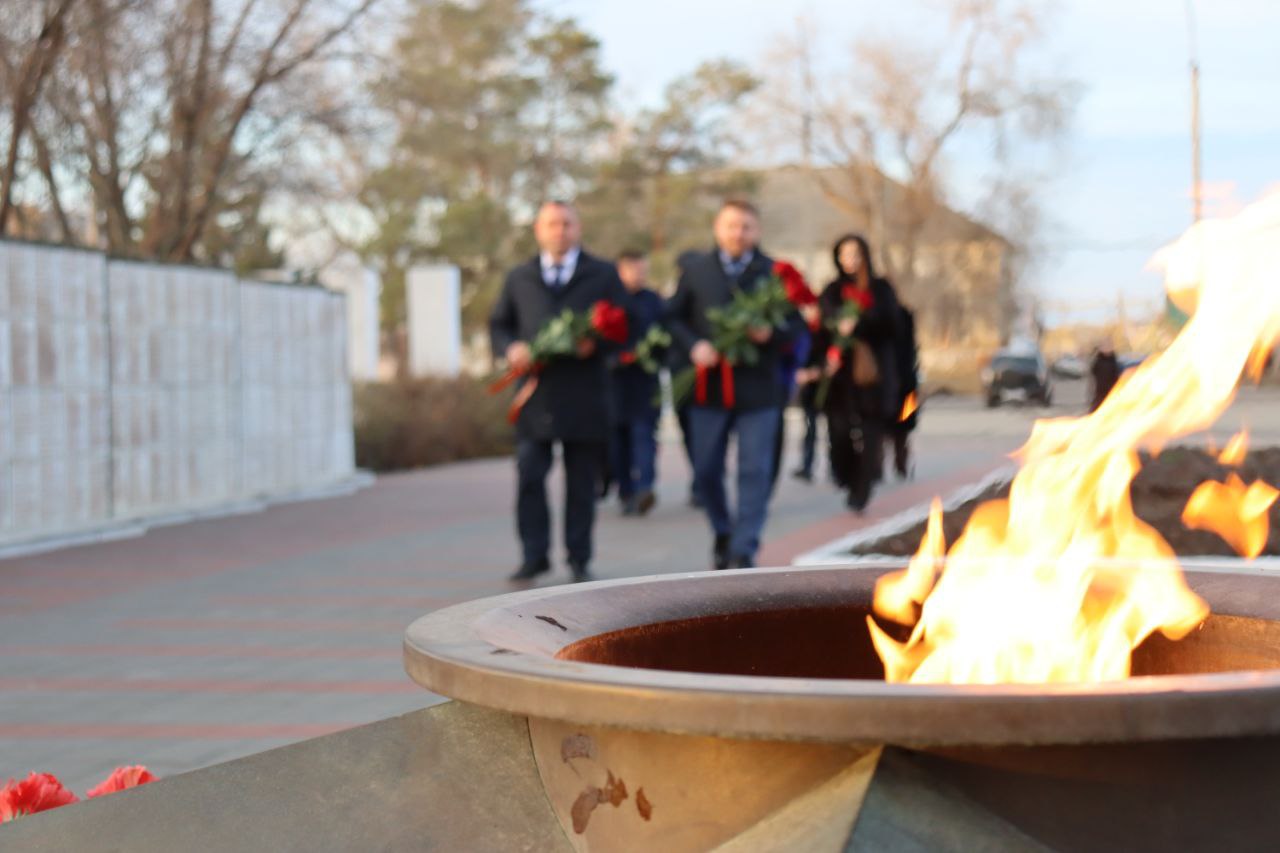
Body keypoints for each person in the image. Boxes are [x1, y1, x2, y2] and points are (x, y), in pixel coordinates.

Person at [489, 201, 629, 583]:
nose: (559, 231)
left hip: (585, 395)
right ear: (538, 229)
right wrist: (510, 348)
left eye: (566, 224)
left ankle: (579, 557)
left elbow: (624, 327)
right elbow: (499, 325)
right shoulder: (520, 277)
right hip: (535, 397)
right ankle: (534, 555)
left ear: (578, 228)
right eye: (551, 224)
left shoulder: (602, 274)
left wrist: (595, 345)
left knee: (581, 482)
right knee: (530, 474)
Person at [666, 199, 805, 569]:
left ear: (756, 231)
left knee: (754, 469)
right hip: (708, 388)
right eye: (731, 226)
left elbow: (796, 325)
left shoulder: (774, 272)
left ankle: (745, 547)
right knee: (706, 468)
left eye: (746, 226)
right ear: (717, 228)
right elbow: (672, 319)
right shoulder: (696, 271)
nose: (738, 233)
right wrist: (694, 345)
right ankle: (723, 530)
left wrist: (770, 333)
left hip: (759, 389)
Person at [814, 234, 902, 512]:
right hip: (840, 376)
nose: (849, 260)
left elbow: (894, 325)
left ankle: (862, 487)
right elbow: (822, 325)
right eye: (844, 254)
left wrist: (861, 322)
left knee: (871, 433)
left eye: (855, 254)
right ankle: (846, 475)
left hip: (873, 375)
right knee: (839, 432)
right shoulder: (832, 290)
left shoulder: (880, 288)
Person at [610, 250, 665, 516]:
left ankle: (645, 487)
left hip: (645, 382)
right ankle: (626, 491)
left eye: (643, 271)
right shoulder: (608, 301)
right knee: (618, 441)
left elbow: (667, 335)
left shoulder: (654, 301)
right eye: (634, 270)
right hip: (614, 383)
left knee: (644, 436)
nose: (639, 276)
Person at [668, 250, 703, 508]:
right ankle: (699, 479)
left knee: (703, 434)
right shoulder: (677, 305)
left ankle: (701, 482)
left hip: (705, 381)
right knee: (689, 432)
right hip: (681, 376)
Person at [791, 303, 824, 483]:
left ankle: (834, 467)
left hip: (823, 386)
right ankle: (807, 465)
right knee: (810, 428)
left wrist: (815, 372)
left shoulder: (823, 331)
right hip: (808, 390)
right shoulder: (802, 331)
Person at [887, 303, 920, 479]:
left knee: (895, 430)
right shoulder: (904, 321)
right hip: (905, 385)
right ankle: (901, 465)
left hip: (897, 386)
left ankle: (898, 465)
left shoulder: (889, 326)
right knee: (901, 431)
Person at [1090, 343, 1121, 412]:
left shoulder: (1113, 361)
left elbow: (1116, 373)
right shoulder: (1099, 360)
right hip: (1100, 387)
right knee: (1099, 402)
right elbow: (1093, 371)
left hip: (1111, 386)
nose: (1107, 350)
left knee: (1111, 401)